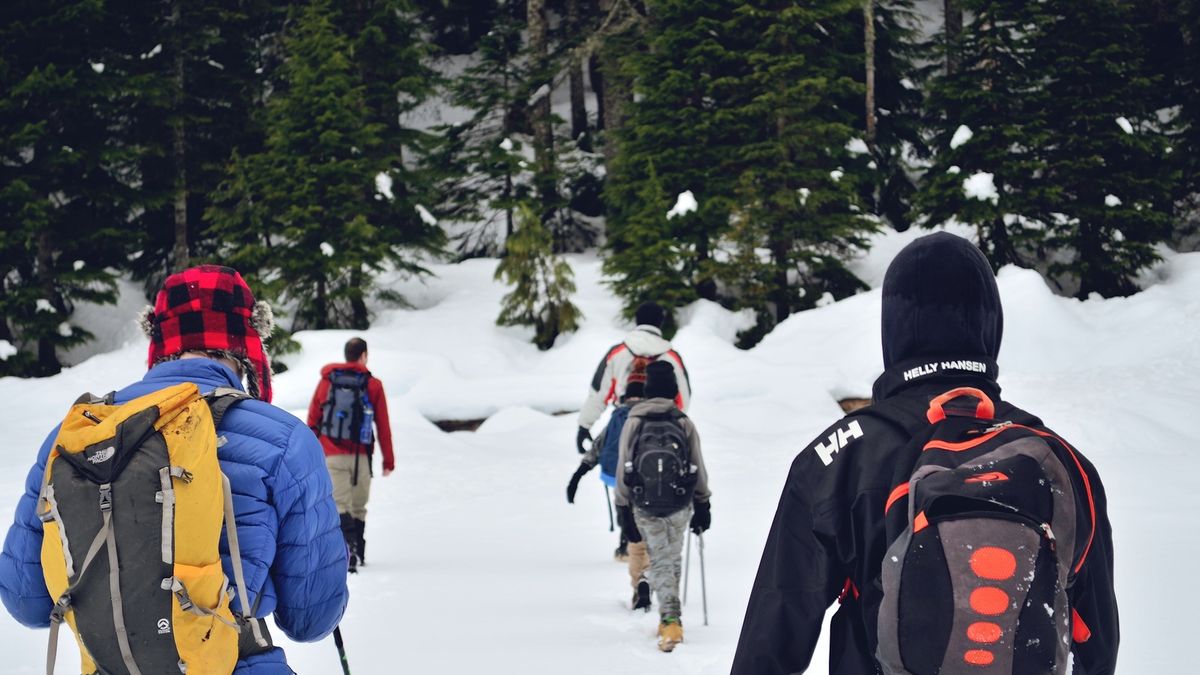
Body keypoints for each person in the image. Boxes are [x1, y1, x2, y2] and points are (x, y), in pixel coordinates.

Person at [730, 233, 1118, 674]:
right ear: (991, 326)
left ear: (893, 328)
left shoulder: (837, 457)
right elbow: (1097, 641)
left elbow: (775, 631)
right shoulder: (1062, 461)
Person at [0, 265, 349, 673]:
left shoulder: (76, 434)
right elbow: (310, 619)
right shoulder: (284, 440)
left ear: (160, 342)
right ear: (248, 346)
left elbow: (27, 601)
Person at [615, 361, 712, 652]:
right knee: (671, 556)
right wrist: (703, 503)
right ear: (673, 389)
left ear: (647, 390)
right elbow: (698, 464)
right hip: (680, 501)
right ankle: (670, 617)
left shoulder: (634, 421)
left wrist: (623, 508)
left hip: (644, 503)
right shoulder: (682, 421)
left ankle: (670, 619)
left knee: (660, 558)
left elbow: (623, 467)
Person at [307, 337, 394, 573]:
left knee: (340, 503)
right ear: (364, 355)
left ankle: (349, 552)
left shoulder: (328, 381)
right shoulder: (372, 384)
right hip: (361, 456)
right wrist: (388, 460)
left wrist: (314, 453)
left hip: (331, 453)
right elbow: (383, 425)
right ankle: (359, 552)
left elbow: (314, 419)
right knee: (358, 506)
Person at [576, 302, 692, 456]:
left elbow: (599, 393)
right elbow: (683, 399)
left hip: (623, 425)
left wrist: (584, 425)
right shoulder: (672, 357)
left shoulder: (617, 353)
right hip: (661, 429)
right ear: (660, 322)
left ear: (637, 321)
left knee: (618, 473)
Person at [567, 379, 646, 564]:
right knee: (641, 510)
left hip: (615, 474)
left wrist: (577, 476)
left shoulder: (617, 416)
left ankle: (625, 546)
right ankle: (640, 547)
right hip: (643, 476)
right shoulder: (648, 415)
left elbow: (598, 446)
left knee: (624, 507)